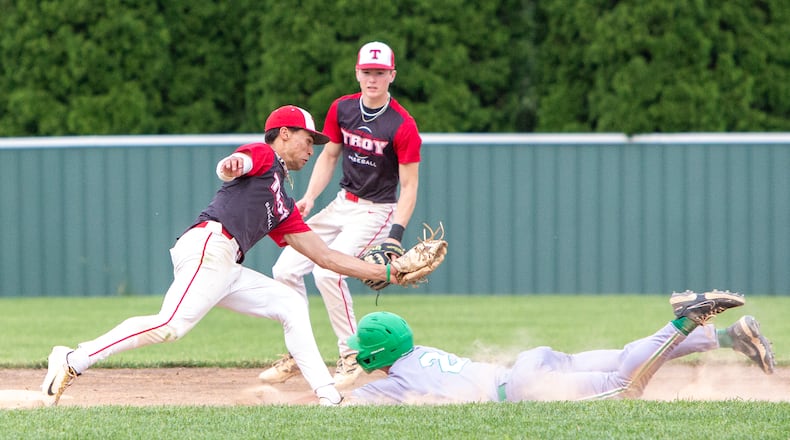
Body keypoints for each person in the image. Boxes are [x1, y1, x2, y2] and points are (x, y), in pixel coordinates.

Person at [41, 105, 405, 407]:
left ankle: (327, 396)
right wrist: (231, 165)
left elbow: (325, 256)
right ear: (284, 135)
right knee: (170, 325)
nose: (312, 150)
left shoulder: (284, 204)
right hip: (209, 246)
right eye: (308, 140)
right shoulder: (265, 156)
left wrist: (388, 272)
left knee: (290, 304)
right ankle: (73, 359)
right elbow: (237, 162)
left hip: (227, 264)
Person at [261, 41, 422, 387]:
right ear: (357, 73)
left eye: (380, 73)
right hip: (341, 204)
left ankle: (351, 357)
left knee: (327, 275)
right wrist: (309, 198)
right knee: (285, 269)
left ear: (392, 75)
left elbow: (408, 187)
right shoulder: (342, 109)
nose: (373, 79)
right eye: (367, 72)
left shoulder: (402, 125)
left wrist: (395, 234)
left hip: (376, 209)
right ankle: (298, 352)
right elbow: (330, 156)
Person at [343, 290, 775, 404]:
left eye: (359, 348)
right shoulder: (417, 354)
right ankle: (728, 337)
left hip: (524, 389)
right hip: (530, 365)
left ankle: (684, 321)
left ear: (374, 354)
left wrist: (327, 381)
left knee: (624, 385)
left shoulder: (393, 384)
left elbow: (342, 406)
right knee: (626, 356)